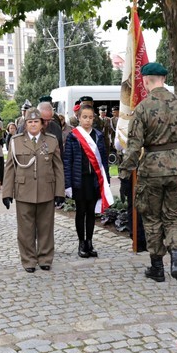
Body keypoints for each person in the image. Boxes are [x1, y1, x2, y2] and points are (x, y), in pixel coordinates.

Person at [118, 62, 177, 289]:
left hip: (151, 170)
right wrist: (175, 154)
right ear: (163, 79)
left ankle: (157, 268)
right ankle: (176, 261)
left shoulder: (143, 108)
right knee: (174, 217)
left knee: (152, 218)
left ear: (145, 80)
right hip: (176, 169)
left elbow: (134, 148)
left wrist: (125, 170)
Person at [3, 108, 65, 272]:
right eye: (29, 122)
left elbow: (58, 167)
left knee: (46, 226)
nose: (33, 124)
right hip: (24, 191)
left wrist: (60, 192)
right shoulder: (16, 141)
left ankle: (45, 257)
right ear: (25, 124)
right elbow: (10, 168)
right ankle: (29, 260)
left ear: (42, 124)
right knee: (25, 229)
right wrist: (7, 193)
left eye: (36, 121)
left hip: (46, 190)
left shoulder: (51, 141)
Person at [64, 104, 111, 258]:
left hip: (94, 180)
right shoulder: (73, 136)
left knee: (91, 212)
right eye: (85, 117)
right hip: (79, 180)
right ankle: (81, 243)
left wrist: (107, 181)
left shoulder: (98, 135)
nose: (88, 120)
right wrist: (68, 184)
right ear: (78, 117)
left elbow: (104, 161)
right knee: (81, 211)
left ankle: (90, 242)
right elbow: (68, 161)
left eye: (91, 117)